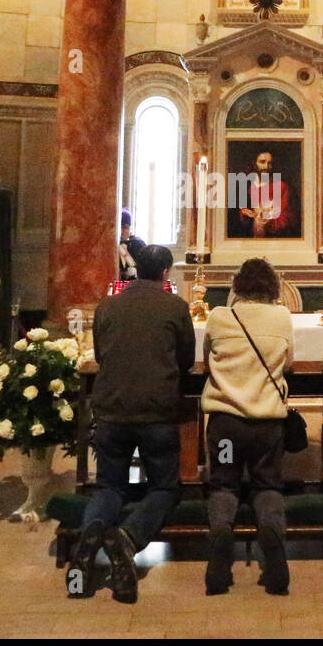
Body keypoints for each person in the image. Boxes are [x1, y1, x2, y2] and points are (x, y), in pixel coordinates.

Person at [68, 244, 195, 604]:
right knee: (164, 489)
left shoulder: (109, 304)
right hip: (156, 411)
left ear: (136, 268)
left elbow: (102, 353)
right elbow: (185, 360)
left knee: (109, 487)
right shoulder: (175, 306)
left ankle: (90, 533)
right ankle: (128, 536)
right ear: (166, 273)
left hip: (111, 409)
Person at [201, 258, 295, 595]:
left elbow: (207, 355)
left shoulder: (218, 316)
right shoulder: (282, 317)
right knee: (267, 486)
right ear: (272, 287)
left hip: (226, 424)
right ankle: (272, 541)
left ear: (237, 285)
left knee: (224, 485)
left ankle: (220, 545)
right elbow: (289, 363)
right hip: (266, 425)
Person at [238, 151, 294, 238]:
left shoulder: (280, 186)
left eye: (270, 163)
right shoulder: (247, 186)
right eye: (262, 162)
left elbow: (287, 220)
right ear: (254, 163)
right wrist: (244, 215)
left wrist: (269, 222)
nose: (266, 167)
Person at [117, 209, 145, 282]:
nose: (121, 231)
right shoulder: (109, 246)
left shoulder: (138, 244)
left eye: (124, 227)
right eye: (119, 228)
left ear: (129, 228)